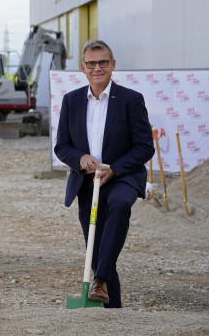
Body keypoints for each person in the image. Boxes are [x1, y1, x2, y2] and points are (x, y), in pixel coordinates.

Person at [54, 40, 154, 308]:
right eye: (91, 63)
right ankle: (110, 306)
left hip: (122, 177)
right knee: (98, 251)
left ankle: (99, 280)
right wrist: (80, 158)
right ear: (83, 68)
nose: (97, 68)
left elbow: (145, 146)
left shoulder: (131, 100)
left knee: (120, 205)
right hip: (87, 183)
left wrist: (116, 168)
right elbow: (61, 146)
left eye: (103, 62)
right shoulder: (71, 100)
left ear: (113, 65)